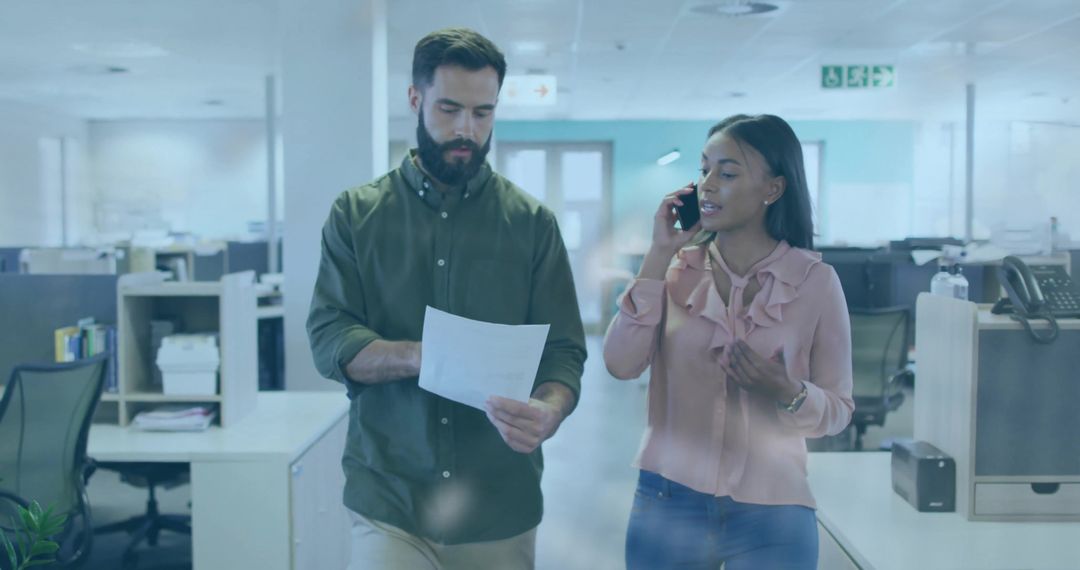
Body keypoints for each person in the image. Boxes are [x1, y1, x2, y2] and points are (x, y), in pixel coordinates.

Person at [307, 28, 586, 570]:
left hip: (498, 501)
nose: (467, 129)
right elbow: (329, 337)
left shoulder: (532, 225)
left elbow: (564, 349)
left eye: (483, 113)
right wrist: (428, 355)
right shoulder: (355, 215)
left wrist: (550, 410)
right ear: (415, 99)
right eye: (450, 109)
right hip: (390, 496)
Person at [603, 114, 853, 570]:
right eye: (704, 170)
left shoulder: (816, 283)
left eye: (728, 172)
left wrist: (789, 393)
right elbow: (620, 364)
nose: (708, 185)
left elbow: (838, 411)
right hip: (669, 497)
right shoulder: (675, 271)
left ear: (773, 189)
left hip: (774, 508)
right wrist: (658, 255)